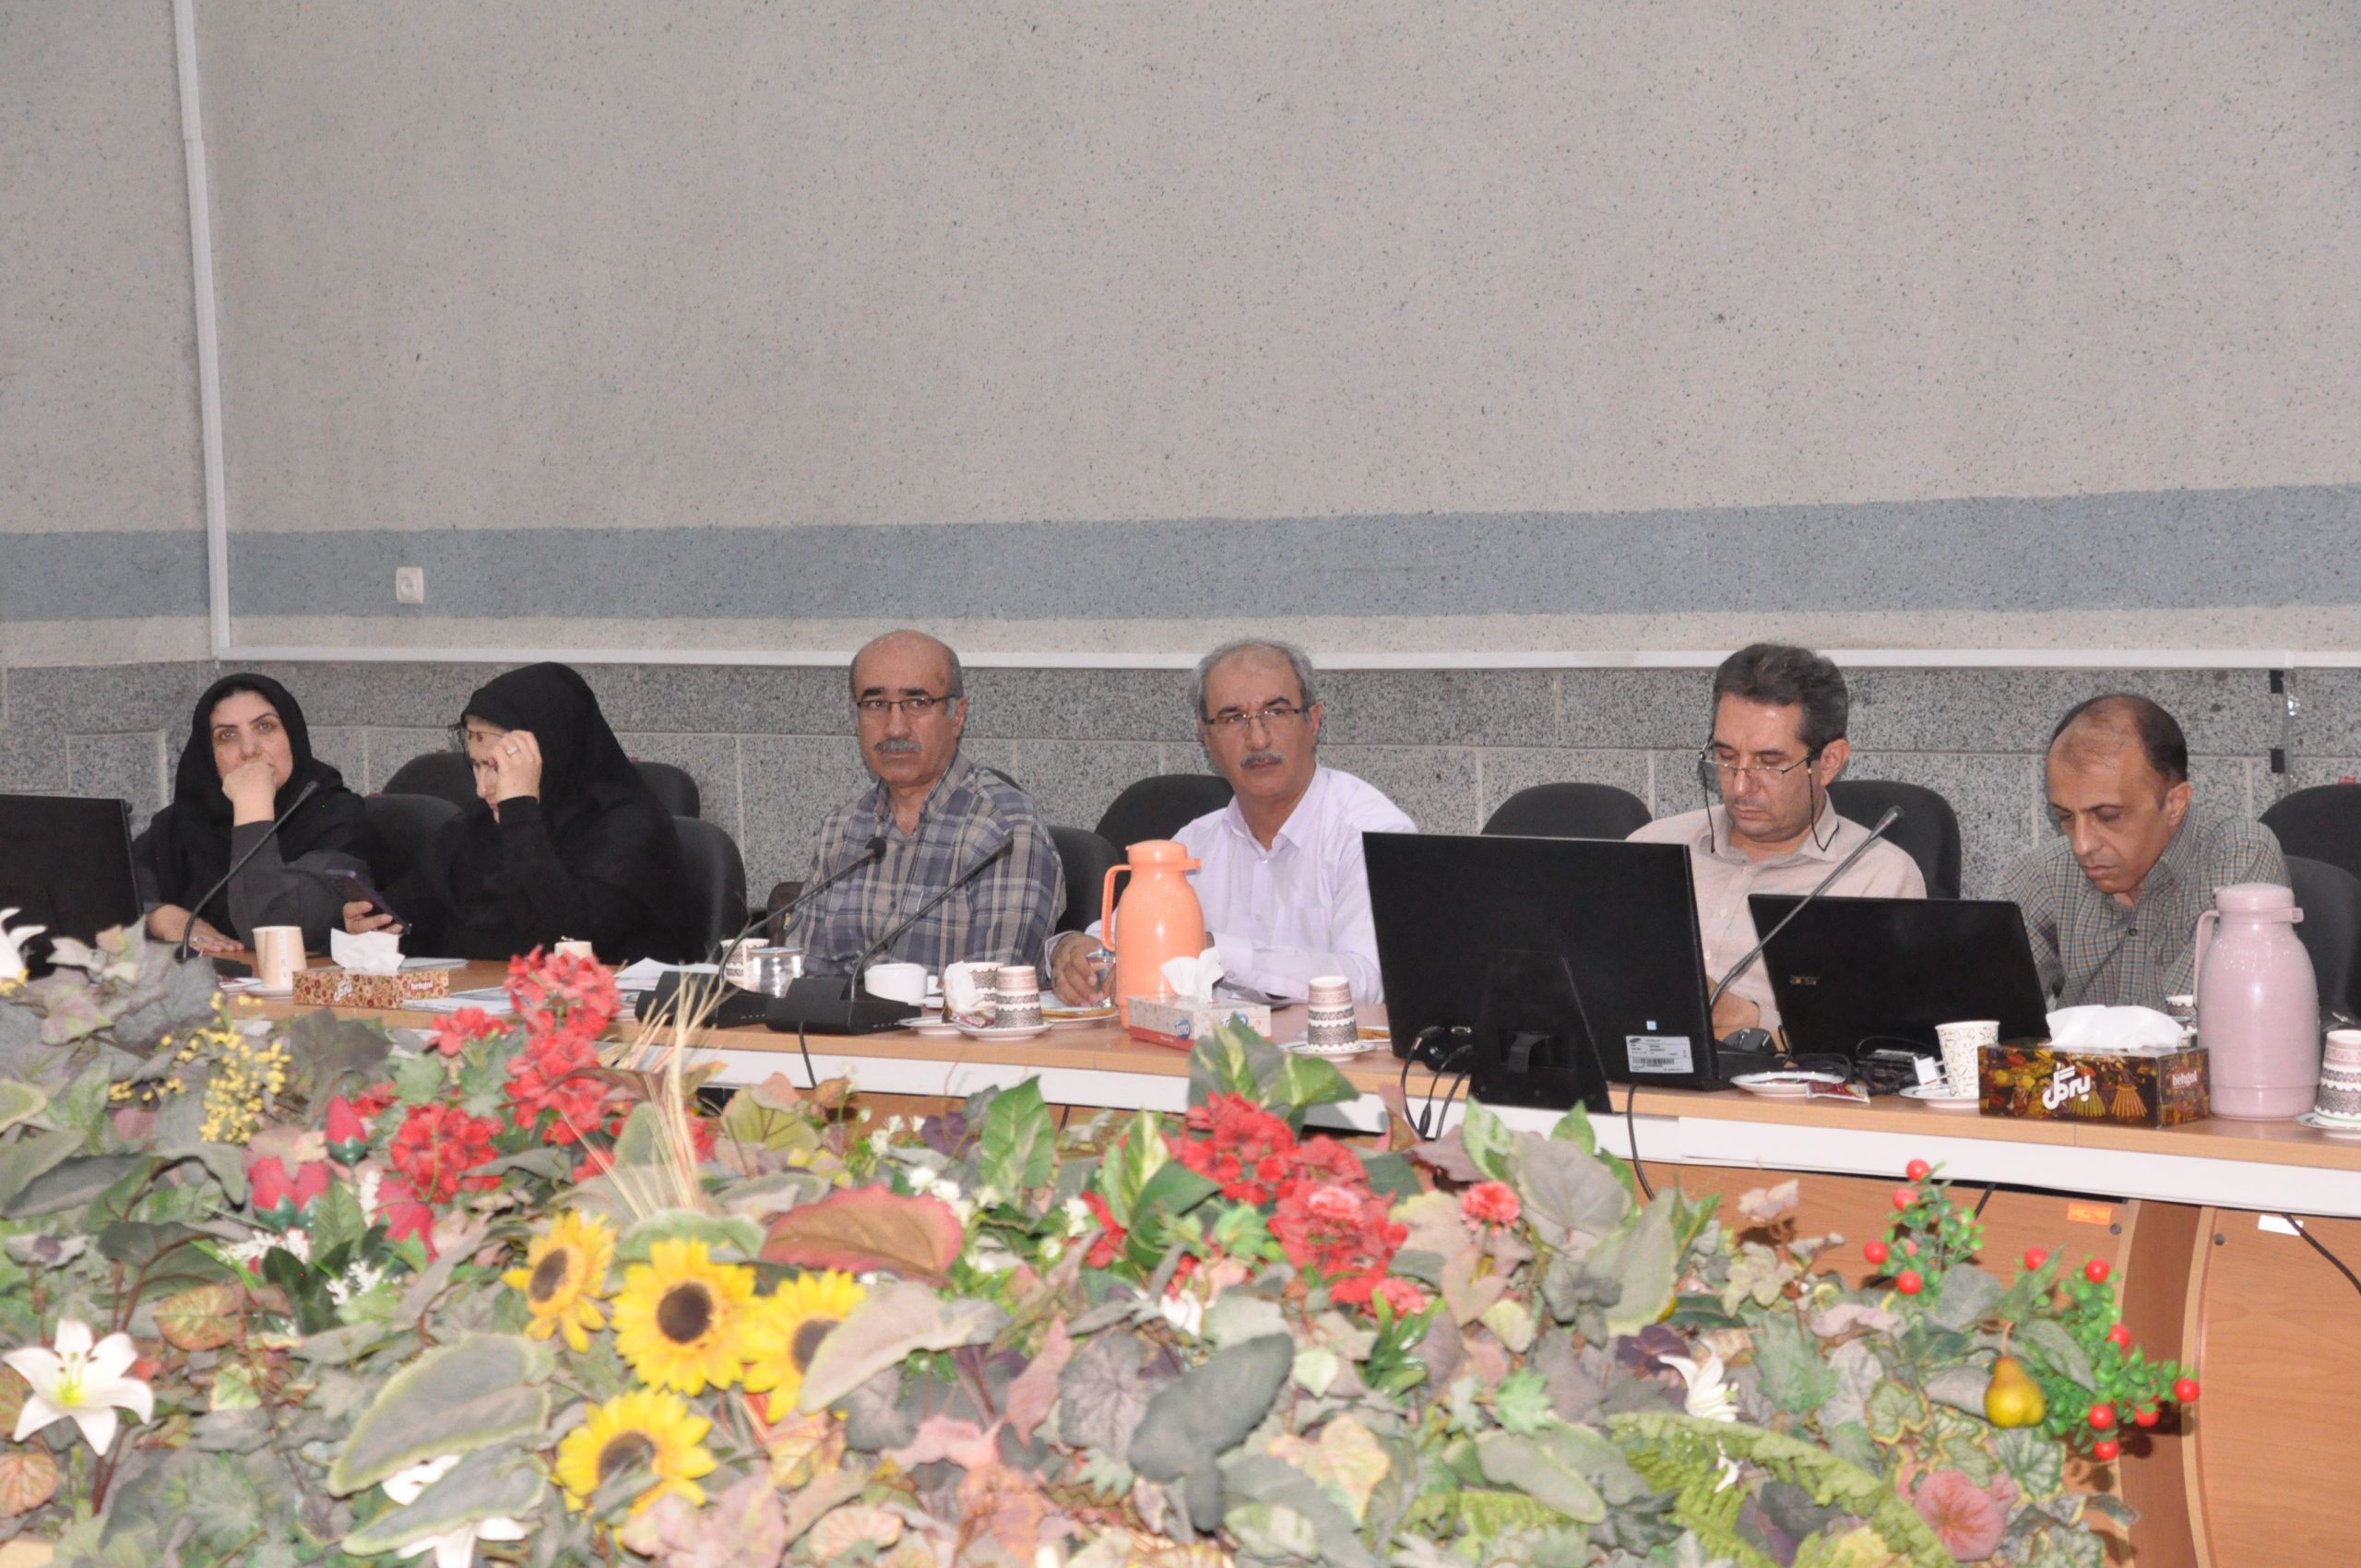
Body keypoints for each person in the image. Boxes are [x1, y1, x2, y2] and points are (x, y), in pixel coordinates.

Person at [1048, 638, 1414, 1005]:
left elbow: (1369, 981)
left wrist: (1217, 952)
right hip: (1210, 1042)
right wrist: (1072, 950)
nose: (1257, 739)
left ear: (1314, 720)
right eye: (1233, 718)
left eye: (1276, 712)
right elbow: (1113, 942)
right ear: (1206, 737)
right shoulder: (1195, 842)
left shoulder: (1372, 834)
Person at [1630, 643, 1924, 1034]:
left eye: (1770, 764)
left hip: (1778, 1073)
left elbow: (1877, 1038)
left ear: (1829, 762)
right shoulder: (1650, 848)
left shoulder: (1878, 879)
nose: (1739, 786)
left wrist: (1749, 1021)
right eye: (1726, 757)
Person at [344, 663, 697, 961]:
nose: (482, 788)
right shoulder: (476, 826)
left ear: (549, 757)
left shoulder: (630, 827)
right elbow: (413, 917)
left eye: (498, 767)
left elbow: (571, 941)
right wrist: (370, 927)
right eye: (476, 766)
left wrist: (520, 814)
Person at [789, 631, 1063, 974]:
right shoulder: (841, 830)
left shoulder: (1005, 830)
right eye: (876, 704)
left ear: (957, 715)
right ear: (856, 717)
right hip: (840, 1013)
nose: (895, 728)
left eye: (917, 703)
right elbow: (801, 977)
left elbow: (992, 986)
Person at [2000, 693, 2285, 1010]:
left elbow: (2193, 1021)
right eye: (2065, 817)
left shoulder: (2240, 856)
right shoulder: (2046, 873)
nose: (2082, 845)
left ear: (2175, 804)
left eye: (2108, 816)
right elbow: (1988, 1008)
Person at [137, 673, 373, 955]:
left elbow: (274, 925)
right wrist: (159, 917)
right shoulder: (184, 822)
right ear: (208, 754)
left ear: (293, 736)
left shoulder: (334, 814)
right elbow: (106, 897)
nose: (249, 750)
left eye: (265, 727)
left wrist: (252, 808)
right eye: (227, 735)